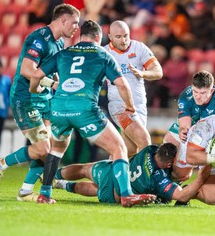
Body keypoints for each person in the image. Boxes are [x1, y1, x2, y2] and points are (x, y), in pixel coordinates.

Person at [29, 20, 157, 206]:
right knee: (118, 148)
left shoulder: (64, 53)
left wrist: (35, 90)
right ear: (99, 37)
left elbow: (36, 75)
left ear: (81, 35)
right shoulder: (102, 54)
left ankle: (44, 194)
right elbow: (122, 84)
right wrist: (130, 106)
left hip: (58, 109)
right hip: (84, 110)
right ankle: (127, 194)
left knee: (56, 150)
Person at [0, 4, 80, 202]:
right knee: (43, 149)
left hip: (45, 98)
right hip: (26, 98)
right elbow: (27, 71)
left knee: (49, 150)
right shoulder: (39, 39)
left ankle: (25, 191)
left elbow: (51, 70)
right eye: (74, 23)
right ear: (63, 20)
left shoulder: (59, 42)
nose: (76, 28)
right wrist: (54, 83)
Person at [52, 143, 210, 205]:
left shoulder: (150, 150)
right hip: (114, 194)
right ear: (169, 164)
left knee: (83, 169)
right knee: (95, 190)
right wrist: (202, 176)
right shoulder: (156, 179)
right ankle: (62, 185)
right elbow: (181, 195)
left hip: (113, 170)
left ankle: (53, 175)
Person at [104, 20, 163, 157]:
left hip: (139, 106)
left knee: (129, 152)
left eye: (126, 35)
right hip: (120, 107)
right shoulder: (105, 53)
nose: (124, 40)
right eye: (118, 37)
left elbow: (158, 72)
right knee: (144, 140)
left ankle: (105, 176)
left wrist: (143, 73)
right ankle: (146, 178)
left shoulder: (139, 48)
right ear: (110, 36)